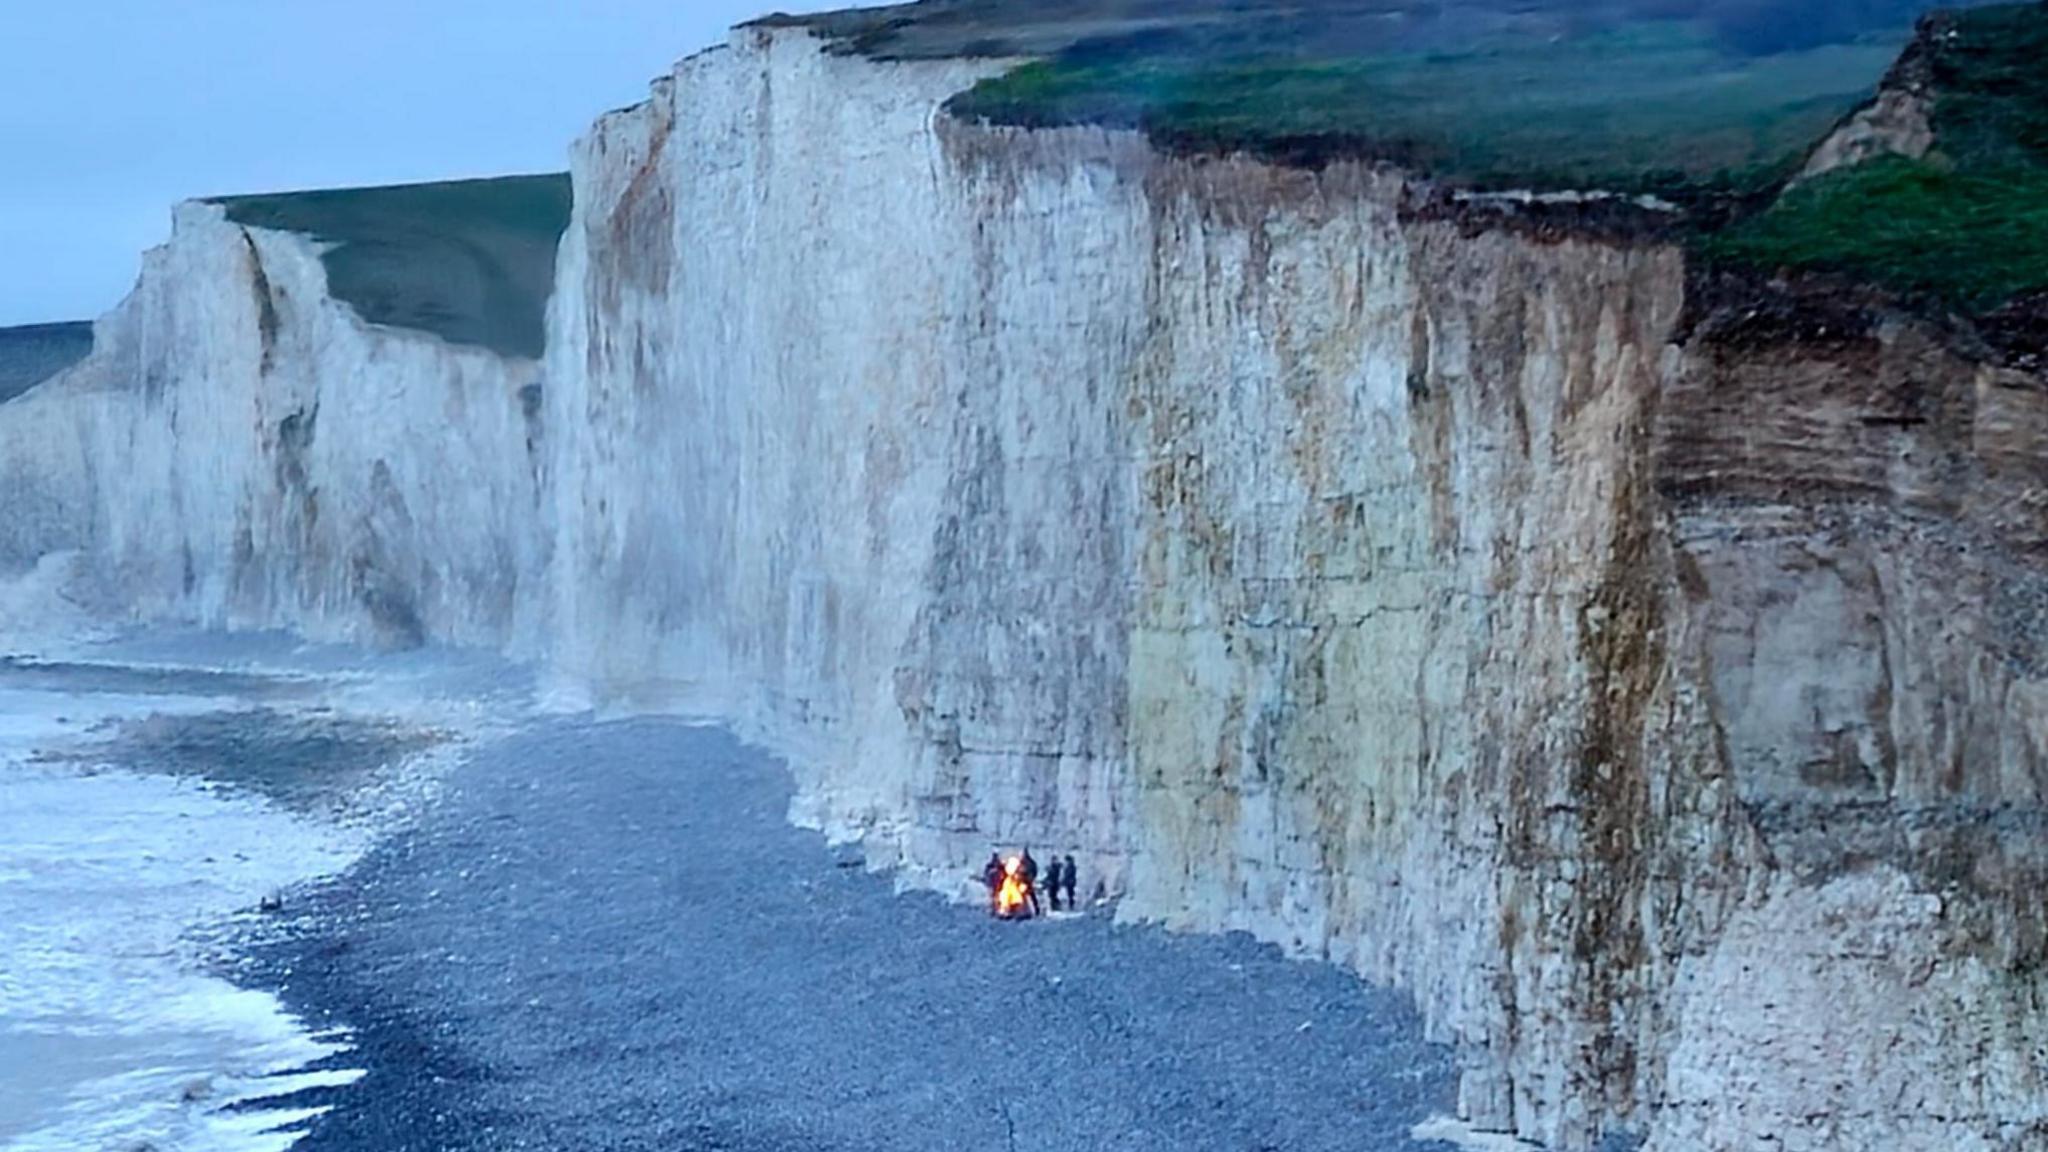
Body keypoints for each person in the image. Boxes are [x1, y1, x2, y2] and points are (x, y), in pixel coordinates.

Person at [1021, 847, 1042, 916]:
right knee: (1022, 897)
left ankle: (1036, 910)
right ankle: (1024, 910)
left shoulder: (1030, 862)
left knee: (1032, 896)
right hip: (1021, 883)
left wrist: (1031, 877)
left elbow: (1034, 871)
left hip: (1028, 882)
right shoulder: (1021, 862)